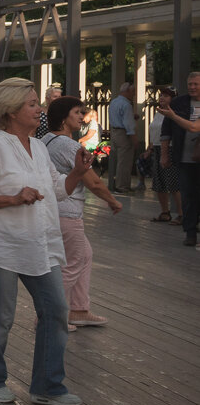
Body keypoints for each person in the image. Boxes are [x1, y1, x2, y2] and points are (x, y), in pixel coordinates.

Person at [0, 77, 92, 405]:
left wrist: (77, 173)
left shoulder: (38, 147)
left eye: (38, 104)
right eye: (32, 104)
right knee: (1, 316)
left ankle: (48, 386)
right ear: (11, 110)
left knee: (56, 310)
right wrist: (13, 198)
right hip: (3, 247)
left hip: (40, 244)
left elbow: (57, 188)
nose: (40, 110)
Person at [42, 97, 122, 329]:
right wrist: (113, 201)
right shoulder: (69, 145)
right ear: (64, 118)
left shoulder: (46, 140)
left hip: (53, 210)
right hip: (67, 212)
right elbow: (93, 182)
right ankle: (49, 316)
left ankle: (78, 309)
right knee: (72, 263)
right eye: (77, 112)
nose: (81, 116)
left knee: (84, 255)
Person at [158, 71, 200, 247]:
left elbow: (193, 128)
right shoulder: (178, 103)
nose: (192, 87)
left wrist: (173, 115)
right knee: (188, 196)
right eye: (190, 84)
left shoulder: (173, 109)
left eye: (196, 84)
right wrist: (164, 153)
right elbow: (166, 131)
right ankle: (190, 232)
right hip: (184, 159)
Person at [148, 87, 182, 225]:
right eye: (161, 95)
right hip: (157, 148)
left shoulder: (174, 113)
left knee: (173, 183)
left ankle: (181, 214)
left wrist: (165, 152)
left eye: (166, 96)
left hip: (170, 149)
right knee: (159, 182)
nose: (162, 98)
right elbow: (155, 130)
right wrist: (149, 147)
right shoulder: (158, 113)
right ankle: (165, 212)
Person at [108, 82, 137, 192]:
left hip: (114, 132)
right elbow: (128, 124)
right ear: (127, 91)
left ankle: (115, 183)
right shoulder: (126, 105)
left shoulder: (114, 102)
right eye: (132, 91)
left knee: (117, 159)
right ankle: (122, 186)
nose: (133, 94)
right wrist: (134, 138)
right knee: (125, 161)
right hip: (123, 134)